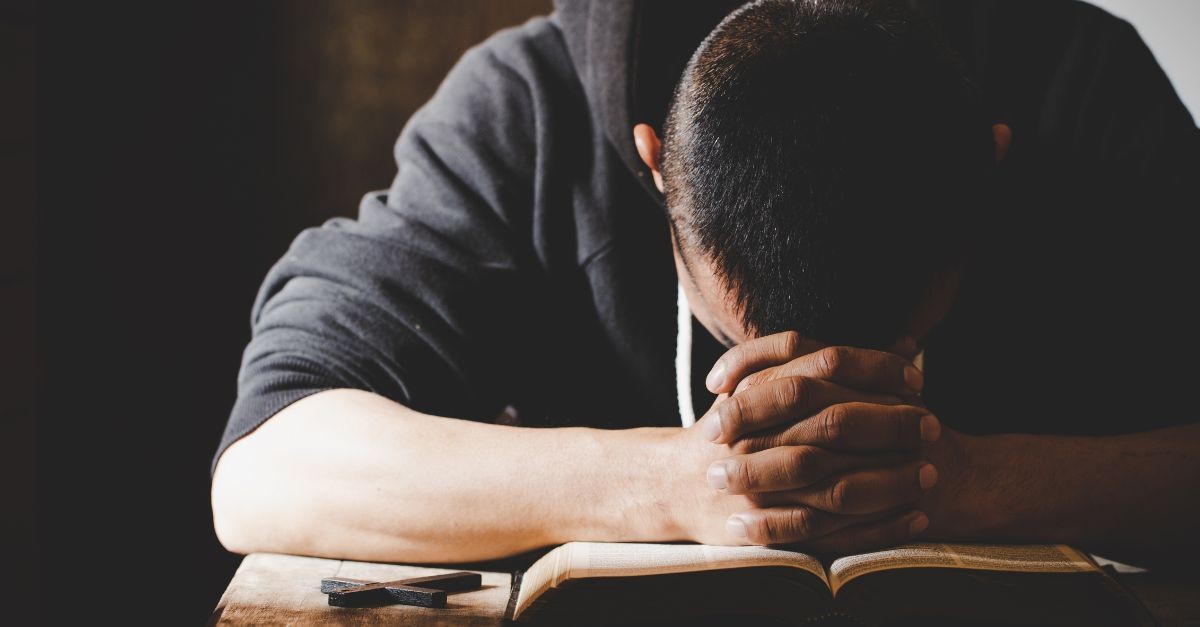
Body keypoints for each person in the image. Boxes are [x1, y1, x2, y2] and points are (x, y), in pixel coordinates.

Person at [210, 0, 1200, 567]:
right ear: (654, 172)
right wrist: (682, 483)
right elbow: (266, 467)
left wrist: (965, 485)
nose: (808, 394)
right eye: (749, 347)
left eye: (877, 358)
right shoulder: (530, 113)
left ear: (994, 166)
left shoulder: (1081, 89)